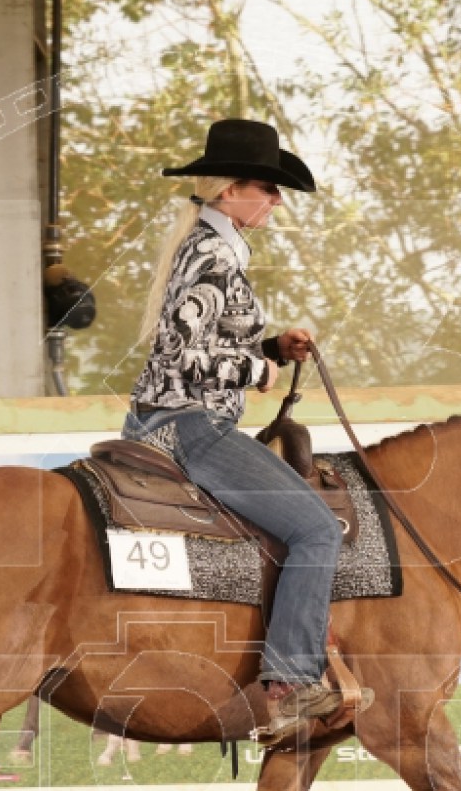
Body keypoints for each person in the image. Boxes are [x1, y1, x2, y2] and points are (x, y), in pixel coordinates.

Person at [124, 118, 342, 740]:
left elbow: (201, 339)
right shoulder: (214, 255)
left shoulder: (209, 246)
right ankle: (292, 684)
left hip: (175, 418)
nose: (277, 202)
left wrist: (270, 347)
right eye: (268, 189)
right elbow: (176, 356)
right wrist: (256, 369)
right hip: (188, 427)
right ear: (231, 191)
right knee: (317, 530)